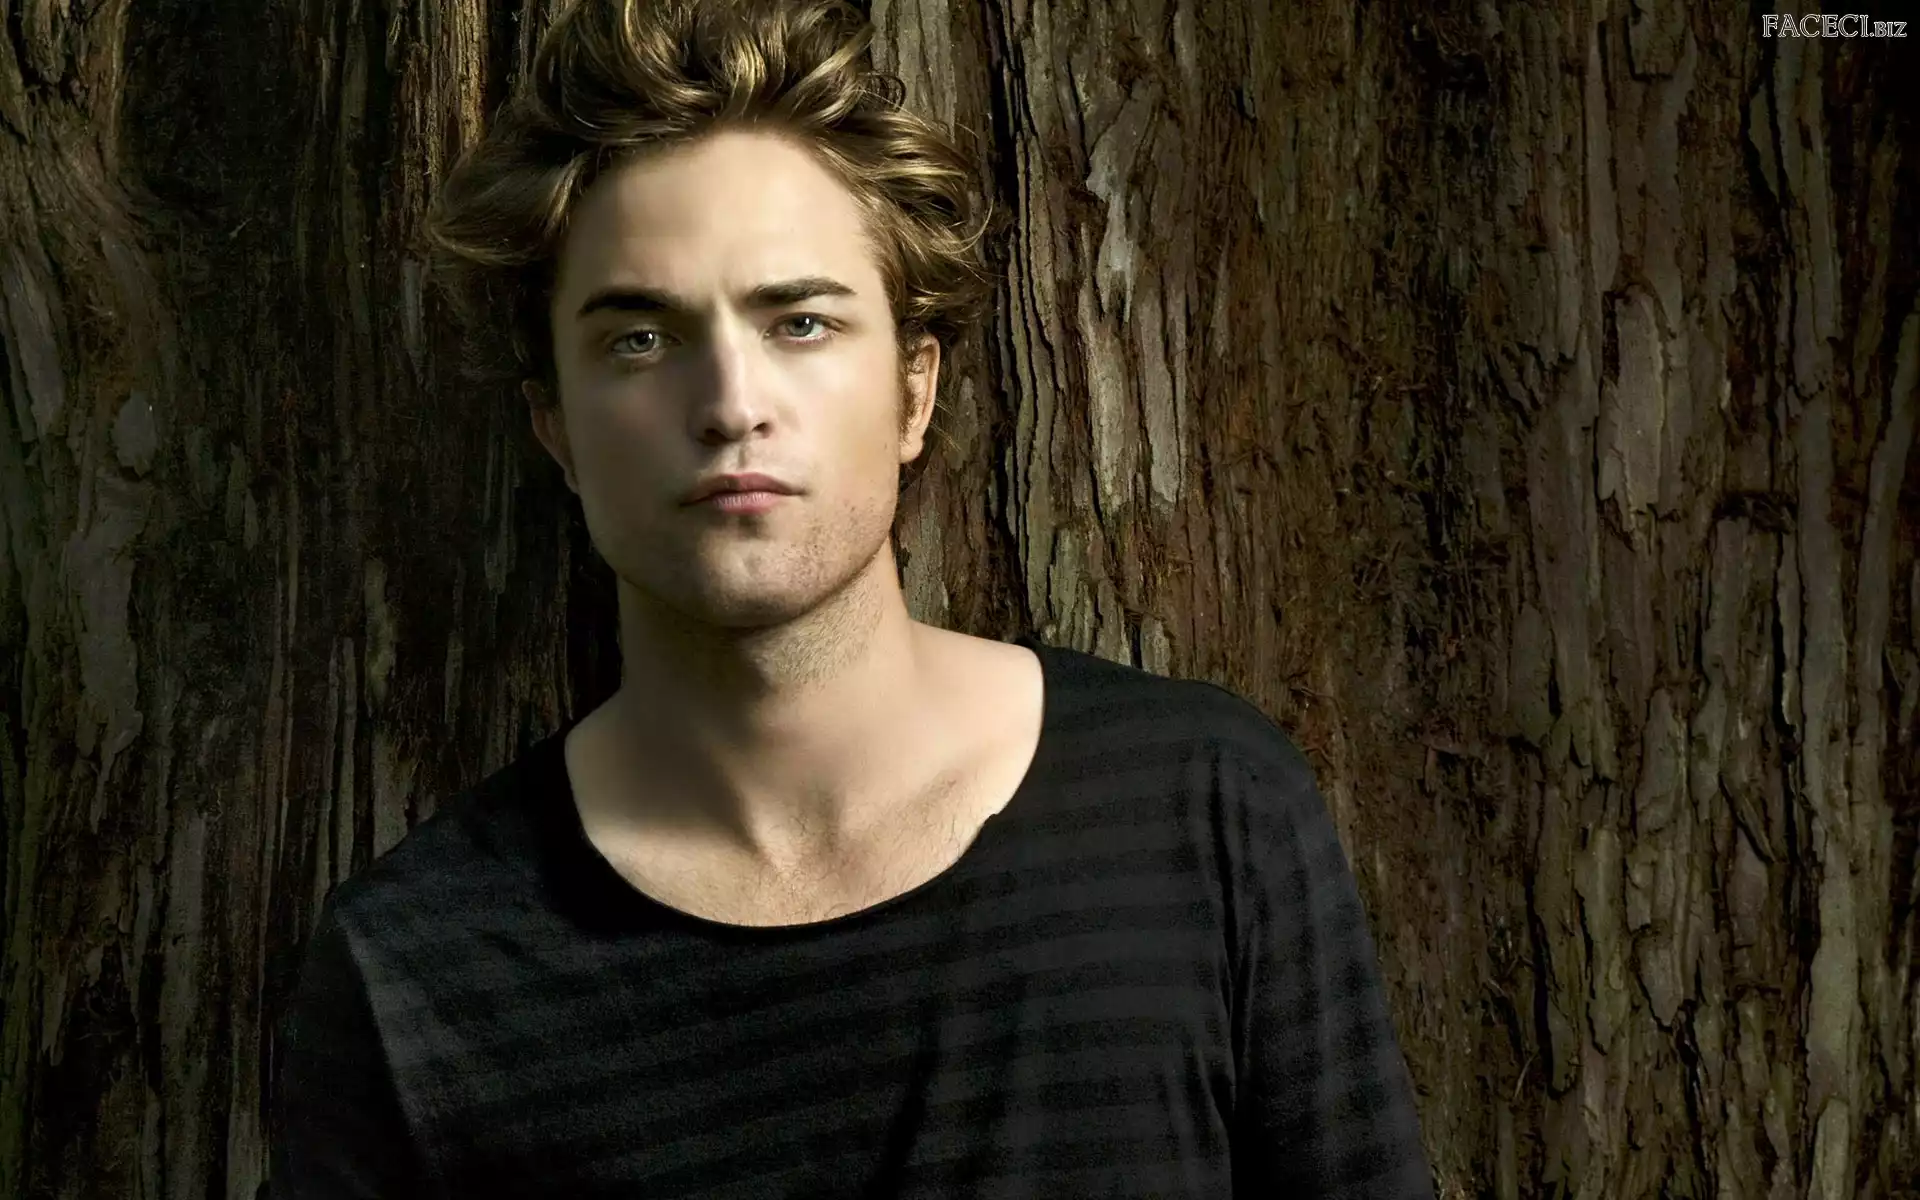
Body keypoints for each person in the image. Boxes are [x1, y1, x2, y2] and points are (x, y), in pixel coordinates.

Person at [267, 0, 1435, 1196]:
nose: (732, 404)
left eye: (802, 322)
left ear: (914, 391)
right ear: (554, 427)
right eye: (641, 340)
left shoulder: (1202, 808)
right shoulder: (414, 967)